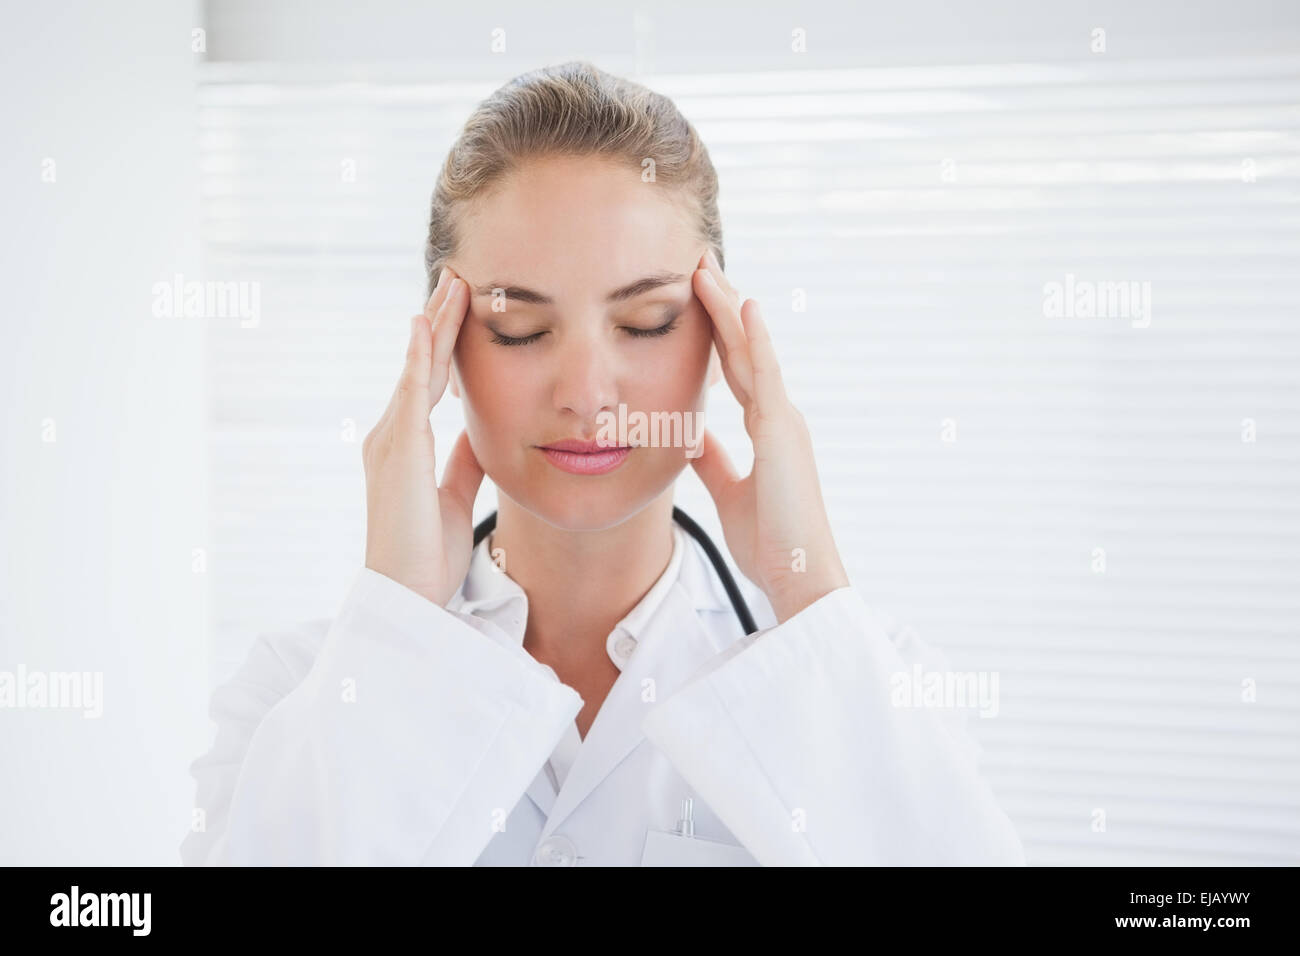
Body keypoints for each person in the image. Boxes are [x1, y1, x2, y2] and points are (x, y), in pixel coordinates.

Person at [180, 60, 1026, 866]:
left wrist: (807, 585)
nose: (587, 394)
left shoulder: (870, 680)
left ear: (721, 336)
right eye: (519, 329)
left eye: (647, 321)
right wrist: (399, 618)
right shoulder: (303, 692)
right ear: (440, 349)